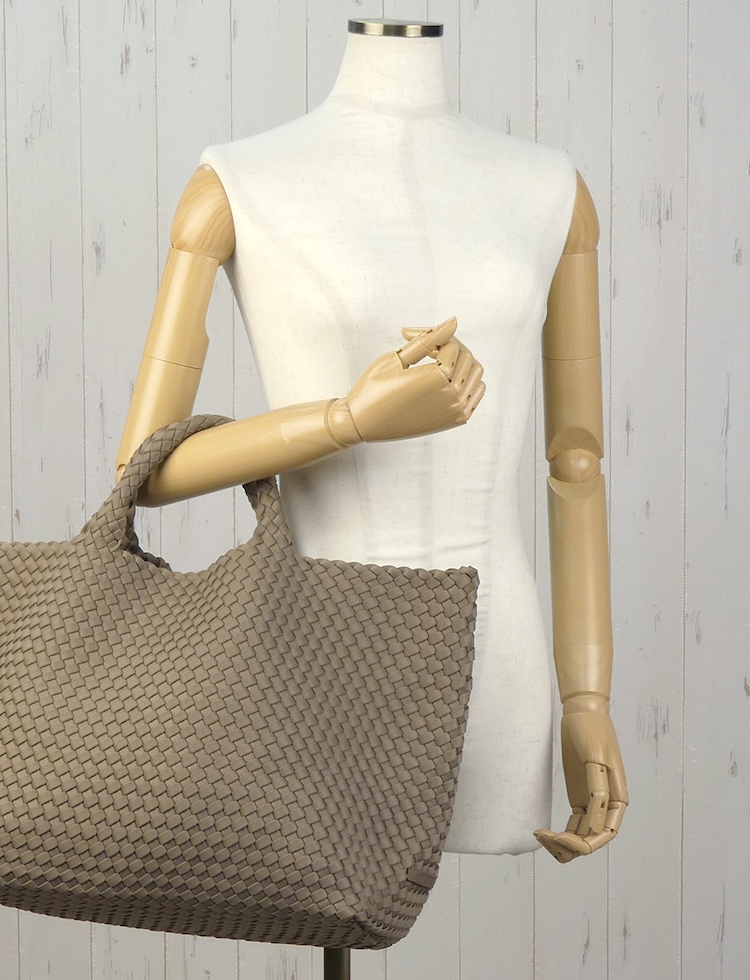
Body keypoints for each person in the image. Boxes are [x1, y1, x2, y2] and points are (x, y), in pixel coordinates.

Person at [117, 19, 626, 861]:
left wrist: (586, 699)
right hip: (318, 657)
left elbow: (577, 461)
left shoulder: (554, 194)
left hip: (496, 662)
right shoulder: (234, 187)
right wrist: (346, 420)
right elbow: (145, 471)